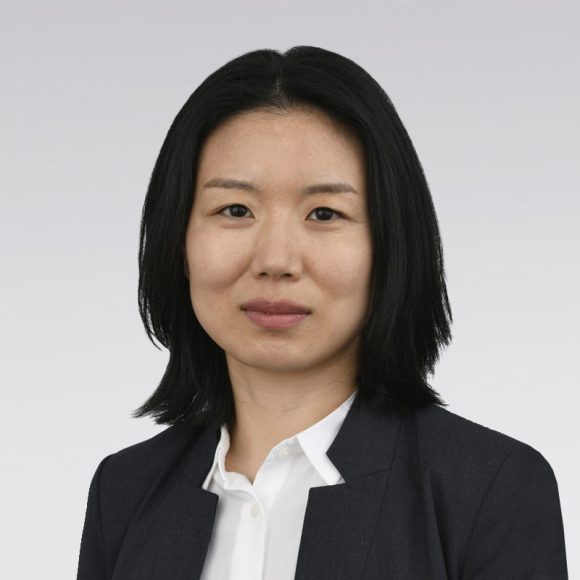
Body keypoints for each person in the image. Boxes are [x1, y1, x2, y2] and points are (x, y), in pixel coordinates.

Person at [76, 46, 568, 580]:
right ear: (178, 238)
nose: (275, 260)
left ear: (391, 243)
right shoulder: (123, 491)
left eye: (325, 213)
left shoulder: (489, 488)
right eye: (235, 210)